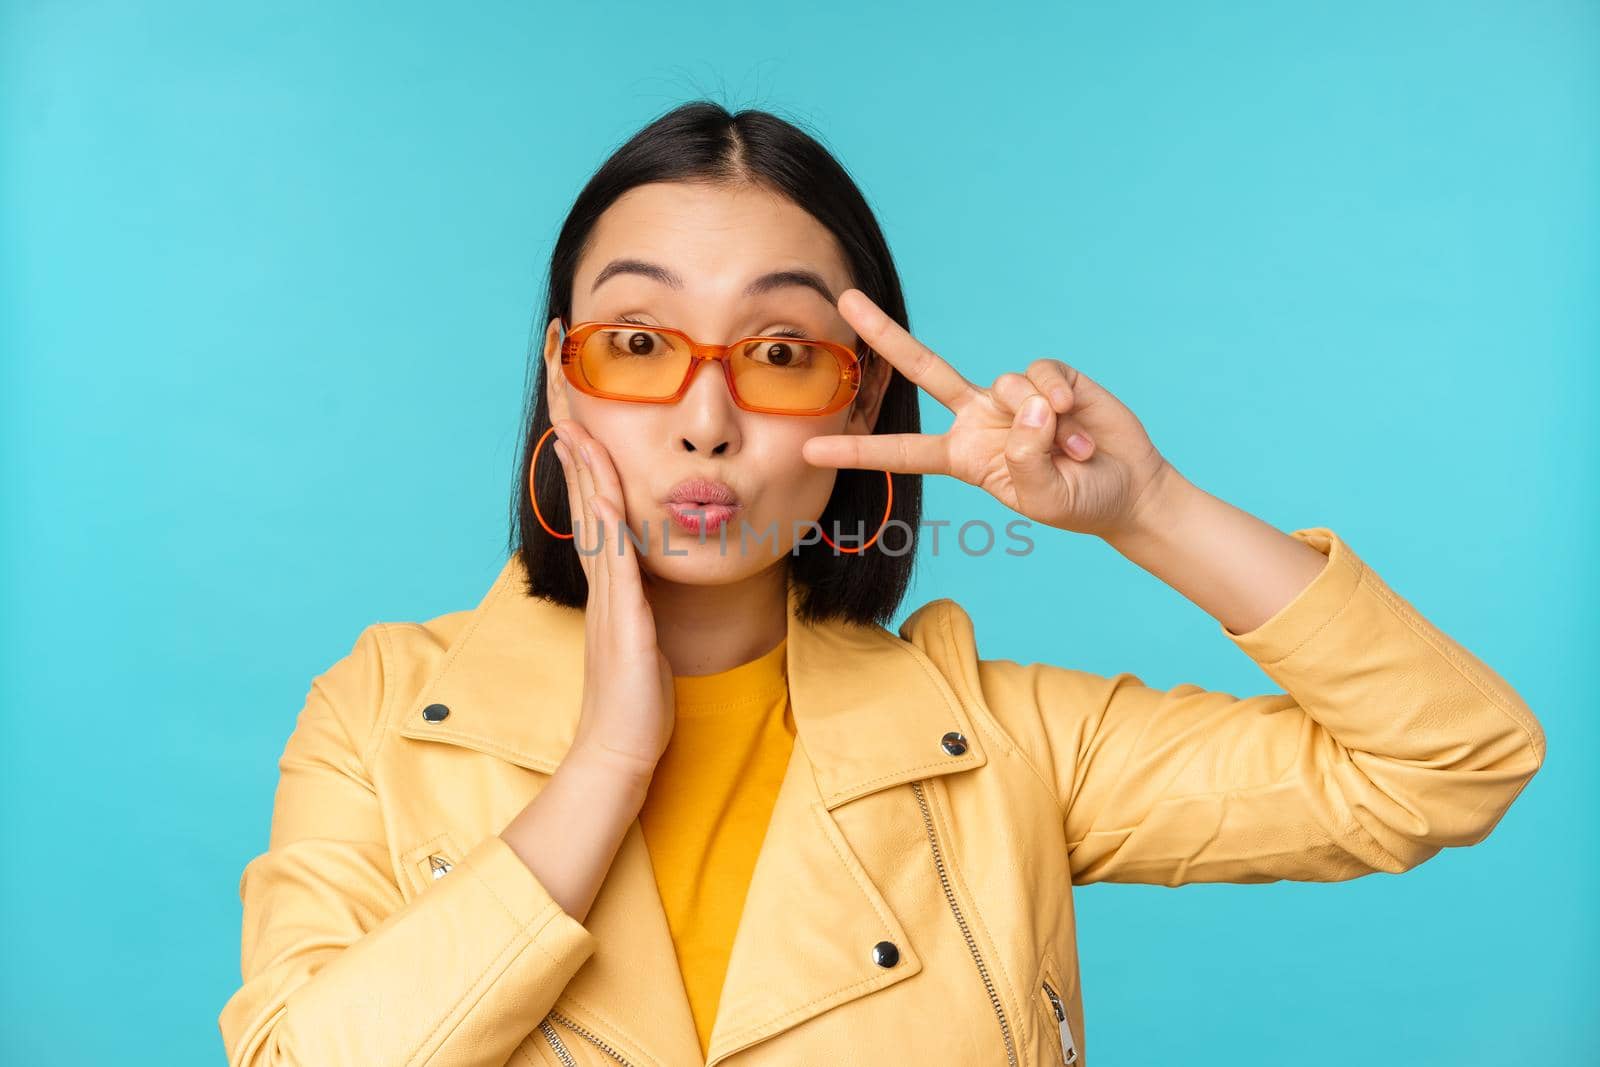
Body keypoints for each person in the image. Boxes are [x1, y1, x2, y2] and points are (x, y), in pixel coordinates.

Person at [217, 101, 1546, 1067]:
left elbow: (1450, 763)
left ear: (860, 404)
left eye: (782, 350)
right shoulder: (390, 711)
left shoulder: (999, 746)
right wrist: (609, 761)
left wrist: (1150, 507)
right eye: (638, 341)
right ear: (561, 381)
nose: (706, 417)